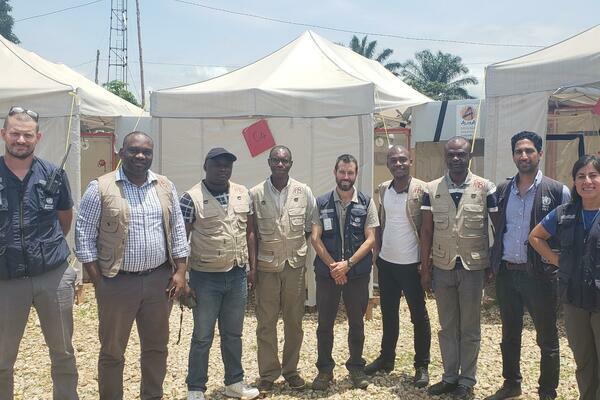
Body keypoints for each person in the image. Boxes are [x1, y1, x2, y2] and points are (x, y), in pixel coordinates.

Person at [75, 131, 189, 400]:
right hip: (117, 282)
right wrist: (100, 282)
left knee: (156, 347)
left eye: (146, 151)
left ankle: (153, 395)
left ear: (152, 154)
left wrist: (181, 271)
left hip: (158, 282)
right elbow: (83, 237)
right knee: (113, 350)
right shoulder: (100, 187)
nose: (140, 156)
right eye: (134, 150)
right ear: (121, 152)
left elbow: (178, 231)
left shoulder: (164, 186)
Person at [0, 106, 78, 400]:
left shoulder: (54, 175)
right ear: (4, 134)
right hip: (5, 280)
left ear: (38, 137)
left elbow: (64, 219)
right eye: (15, 133)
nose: (21, 139)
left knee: (63, 353)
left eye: (27, 135)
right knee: (3, 359)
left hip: (52, 276)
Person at [487, 131, 569, 400]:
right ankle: (511, 384)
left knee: (547, 337)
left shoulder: (557, 191)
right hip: (508, 273)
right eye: (519, 151)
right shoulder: (503, 189)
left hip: (541, 276)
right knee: (509, 334)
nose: (524, 155)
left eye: (529, 150)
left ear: (540, 154)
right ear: (513, 156)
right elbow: (499, 227)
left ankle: (547, 391)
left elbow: (567, 232)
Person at [420, 136, 498, 399]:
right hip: (442, 266)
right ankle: (450, 377)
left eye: (461, 154)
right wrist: (425, 268)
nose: (456, 159)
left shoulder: (485, 187)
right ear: (445, 156)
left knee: (470, 328)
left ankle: (467, 380)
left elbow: (497, 226)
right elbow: (427, 230)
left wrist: (493, 263)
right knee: (447, 326)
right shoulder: (431, 189)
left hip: (473, 267)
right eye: (451, 154)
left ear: (469, 156)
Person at [180, 147, 259, 400]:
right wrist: (182, 277)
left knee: (233, 333)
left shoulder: (241, 193)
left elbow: (249, 232)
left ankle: (234, 382)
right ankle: (195, 388)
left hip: (236, 274)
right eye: (217, 164)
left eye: (228, 165)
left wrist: (252, 268)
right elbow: (182, 239)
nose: (223, 169)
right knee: (202, 336)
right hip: (205, 277)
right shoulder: (191, 198)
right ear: (206, 166)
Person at [529, 155, 600, 400]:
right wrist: (558, 260)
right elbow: (535, 237)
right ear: (574, 182)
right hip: (574, 301)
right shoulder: (564, 213)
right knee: (584, 361)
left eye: (593, 175)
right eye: (581, 176)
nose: (587, 181)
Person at [249, 145, 316, 393]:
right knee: (266, 322)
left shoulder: (303, 191)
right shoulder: (256, 193)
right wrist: (252, 267)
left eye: (284, 161)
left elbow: (310, 227)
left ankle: (290, 371)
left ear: (290, 163)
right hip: (267, 266)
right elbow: (251, 232)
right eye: (275, 160)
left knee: (294, 321)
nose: (280, 164)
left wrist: (297, 250)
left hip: (294, 267)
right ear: (269, 162)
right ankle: (267, 373)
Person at [310, 154, 379, 390]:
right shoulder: (321, 202)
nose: (346, 177)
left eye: (350, 173)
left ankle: (357, 368)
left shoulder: (366, 202)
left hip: (356, 274)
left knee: (357, 323)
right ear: (335, 172)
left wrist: (347, 264)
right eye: (342, 172)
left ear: (356, 174)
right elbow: (315, 238)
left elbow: (370, 239)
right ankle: (324, 370)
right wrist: (334, 267)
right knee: (324, 324)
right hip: (328, 274)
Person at [364, 145, 431, 388]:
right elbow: (380, 223)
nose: (399, 164)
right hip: (387, 264)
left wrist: (425, 265)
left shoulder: (422, 189)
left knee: (418, 317)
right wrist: (377, 250)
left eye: (403, 159)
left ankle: (421, 365)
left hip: (412, 265)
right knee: (389, 314)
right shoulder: (383, 189)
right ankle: (386, 358)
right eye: (394, 160)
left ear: (410, 160)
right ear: (388, 164)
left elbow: (427, 229)